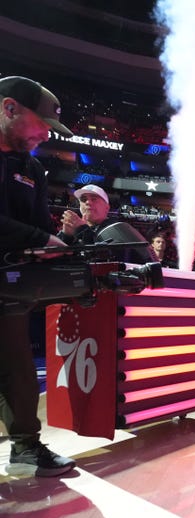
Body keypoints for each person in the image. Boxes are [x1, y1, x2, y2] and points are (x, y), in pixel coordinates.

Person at [0, 75, 76, 476]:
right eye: (42, 125)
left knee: (17, 367)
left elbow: (40, 230)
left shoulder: (32, 168)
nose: (47, 135)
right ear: (9, 108)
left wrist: (65, 249)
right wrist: (40, 239)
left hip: (7, 285)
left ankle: (26, 445)